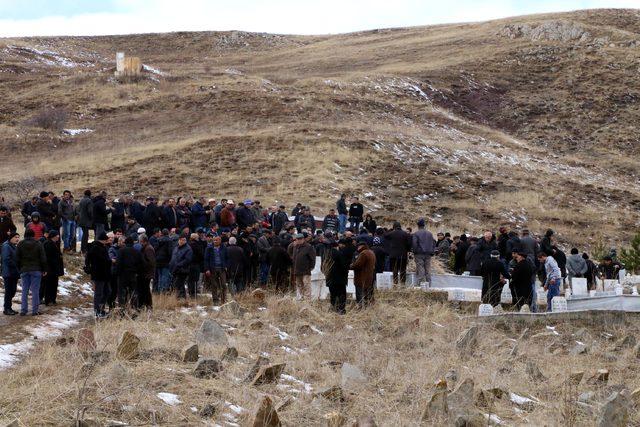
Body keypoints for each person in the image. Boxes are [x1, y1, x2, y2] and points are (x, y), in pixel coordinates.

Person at [15, 228, 47, 316]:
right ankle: (34, 311)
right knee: (35, 291)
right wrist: (44, 269)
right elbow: (43, 258)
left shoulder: (20, 244)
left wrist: (19, 268)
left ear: (25, 234)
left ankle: (23, 310)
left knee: (24, 290)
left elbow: (16, 258)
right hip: (36, 270)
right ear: (33, 235)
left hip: (24, 270)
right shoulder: (38, 243)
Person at [86, 231, 112, 317]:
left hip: (104, 274)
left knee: (107, 291)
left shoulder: (100, 247)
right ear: (104, 240)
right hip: (99, 274)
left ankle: (101, 308)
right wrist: (110, 261)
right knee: (99, 293)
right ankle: (98, 310)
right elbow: (103, 260)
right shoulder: (96, 248)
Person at [116, 236, 144, 310]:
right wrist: (137, 272)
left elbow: (118, 263)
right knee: (133, 292)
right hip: (133, 275)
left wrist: (117, 273)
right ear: (132, 243)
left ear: (125, 243)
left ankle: (122, 310)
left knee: (122, 294)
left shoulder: (121, 251)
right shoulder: (137, 252)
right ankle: (134, 310)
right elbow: (141, 264)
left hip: (122, 275)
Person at [325, 238, 349, 314]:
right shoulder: (339, 254)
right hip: (340, 279)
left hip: (330, 279)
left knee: (333, 295)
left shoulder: (326, 255)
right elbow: (344, 267)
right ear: (336, 246)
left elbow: (323, 267)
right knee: (341, 294)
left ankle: (333, 308)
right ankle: (341, 310)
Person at [351, 239, 376, 307]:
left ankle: (361, 307)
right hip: (369, 276)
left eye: (358, 246)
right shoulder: (371, 252)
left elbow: (358, 265)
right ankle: (368, 306)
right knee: (368, 293)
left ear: (362, 246)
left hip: (361, 277)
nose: (357, 248)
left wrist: (351, 266)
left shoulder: (363, 253)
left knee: (360, 294)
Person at [204, 235, 228, 304]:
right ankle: (215, 300)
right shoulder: (209, 248)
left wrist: (226, 266)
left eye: (216, 240)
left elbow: (227, 258)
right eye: (214, 240)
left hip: (222, 268)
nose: (215, 241)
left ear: (220, 241)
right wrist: (207, 269)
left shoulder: (224, 248)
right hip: (212, 269)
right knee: (214, 285)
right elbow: (206, 260)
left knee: (223, 284)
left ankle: (223, 300)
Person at [42, 230, 64, 305]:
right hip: (50, 268)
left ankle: (52, 299)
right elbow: (48, 257)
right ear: (53, 236)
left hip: (54, 268)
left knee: (54, 284)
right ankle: (48, 300)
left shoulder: (54, 243)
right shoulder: (48, 244)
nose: (58, 236)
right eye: (57, 235)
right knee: (49, 285)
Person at [291, 233, 316, 300]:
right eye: (297, 239)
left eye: (300, 239)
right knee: (299, 285)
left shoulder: (309, 247)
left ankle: (307, 299)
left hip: (306, 270)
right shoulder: (295, 247)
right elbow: (292, 255)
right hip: (297, 269)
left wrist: (311, 267)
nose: (298, 240)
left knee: (306, 285)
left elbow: (313, 258)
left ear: (303, 239)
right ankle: (302, 297)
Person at [169, 233, 193, 299]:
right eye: (181, 240)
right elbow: (173, 257)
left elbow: (187, 260)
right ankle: (180, 298)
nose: (182, 241)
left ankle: (181, 298)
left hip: (183, 270)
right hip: (175, 269)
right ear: (178, 240)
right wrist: (171, 264)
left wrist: (178, 265)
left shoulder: (188, 249)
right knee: (177, 285)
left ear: (186, 241)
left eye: (183, 240)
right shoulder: (176, 247)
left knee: (178, 284)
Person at [1, 232, 20, 315]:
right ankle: (7, 308)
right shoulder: (6, 246)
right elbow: (6, 259)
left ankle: (9, 307)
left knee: (13, 291)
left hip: (14, 272)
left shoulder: (13, 246)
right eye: (16, 237)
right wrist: (16, 265)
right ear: (11, 237)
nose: (17, 239)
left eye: (18, 237)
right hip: (8, 273)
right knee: (9, 291)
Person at [412, 218, 435, 285]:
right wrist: (432, 251)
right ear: (424, 225)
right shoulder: (430, 234)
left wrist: (414, 251)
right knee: (427, 269)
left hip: (419, 253)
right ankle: (429, 284)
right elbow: (434, 243)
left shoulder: (416, 233)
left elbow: (414, 244)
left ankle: (420, 284)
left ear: (418, 226)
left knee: (420, 268)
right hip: (428, 254)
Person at [138, 234, 155, 309]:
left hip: (146, 273)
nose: (139, 243)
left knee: (146, 290)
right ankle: (146, 305)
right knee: (144, 290)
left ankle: (148, 306)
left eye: (140, 241)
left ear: (143, 241)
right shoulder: (146, 247)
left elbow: (151, 262)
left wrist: (142, 262)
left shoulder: (148, 249)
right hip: (145, 273)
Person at [187, 233, 204, 298]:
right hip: (196, 264)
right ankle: (193, 294)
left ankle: (190, 292)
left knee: (189, 279)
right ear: (195, 238)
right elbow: (201, 254)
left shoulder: (188, 244)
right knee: (195, 279)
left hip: (188, 264)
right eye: (197, 237)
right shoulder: (197, 245)